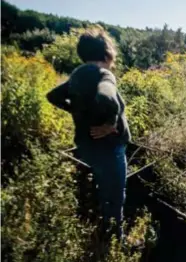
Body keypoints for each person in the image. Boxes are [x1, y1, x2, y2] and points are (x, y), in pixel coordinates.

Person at [46, 26, 131, 240]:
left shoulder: (77, 75)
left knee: (103, 184)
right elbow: (107, 97)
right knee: (116, 194)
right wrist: (111, 124)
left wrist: (75, 109)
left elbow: (53, 96)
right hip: (109, 148)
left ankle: (104, 222)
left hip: (88, 147)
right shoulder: (104, 74)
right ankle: (115, 238)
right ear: (107, 53)